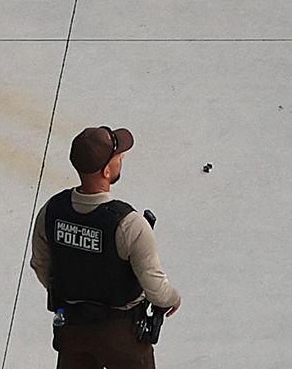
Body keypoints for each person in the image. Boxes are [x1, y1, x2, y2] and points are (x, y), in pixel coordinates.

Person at [31, 124, 182, 368]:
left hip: (71, 329)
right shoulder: (129, 224)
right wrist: (171, 298)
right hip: (122, 334)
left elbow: (41, 265)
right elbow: (153, 283)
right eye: (118, 156)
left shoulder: (51, 211)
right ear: (106, 170)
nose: (122, 158)